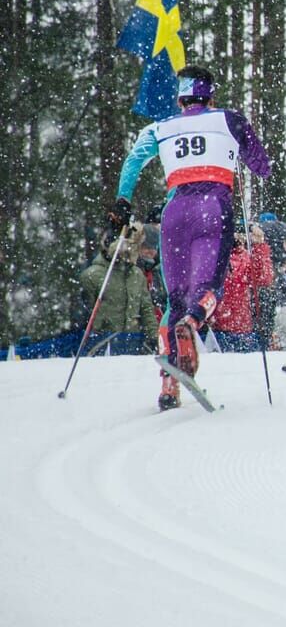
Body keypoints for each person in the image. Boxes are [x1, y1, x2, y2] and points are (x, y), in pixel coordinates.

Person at [107, 64, 272, 410]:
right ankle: (193, 322)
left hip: (175, 212)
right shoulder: (229, 119)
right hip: (213, 207)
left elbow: (134, 160)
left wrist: (123, 201)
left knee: (175, 298)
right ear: (210, 96)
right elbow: (262, 166)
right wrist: (242, 153)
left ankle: (169, 385)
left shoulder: (160, 126)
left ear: (180, 99)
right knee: (210, 288)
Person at [77, 226, 158, 355]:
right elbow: (85, 313)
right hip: (103, 343)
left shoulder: (137, 274)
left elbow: (146, 309)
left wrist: (154, 337)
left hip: (132, 341)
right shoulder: (92, 275)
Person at [208, 225, 274, 351]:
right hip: (217, 327)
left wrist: (259, 246)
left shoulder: (245, 258)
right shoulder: (213, 255)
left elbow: (264, 278)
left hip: (239, 327)